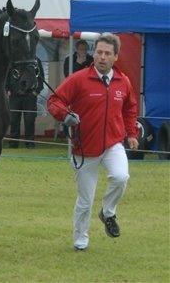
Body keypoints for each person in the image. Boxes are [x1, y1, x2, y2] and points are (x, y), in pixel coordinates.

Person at [47, 33, 139, 251]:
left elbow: (130, 108)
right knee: (85, 200)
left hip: (113, 143)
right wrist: (64, 115)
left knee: (120, 176)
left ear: (116, 57)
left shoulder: (123, 81)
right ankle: (80, 241)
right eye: (99, 52)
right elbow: (54, 101)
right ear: (93, 54)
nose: (102, 57)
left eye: (107, 53)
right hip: (84, 147)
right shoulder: (78, 79)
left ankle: (108, 212)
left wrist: (131, 133)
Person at [6, 57, 44, 149]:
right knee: (14, 119)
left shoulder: (36, 60)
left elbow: (40, 76)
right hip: (14, 95)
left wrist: (37, 91)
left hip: (30, 95)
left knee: (30, 119)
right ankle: (13, 143)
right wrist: (7, 89)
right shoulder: (13, 59)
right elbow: (7, 74)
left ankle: (29, 143)